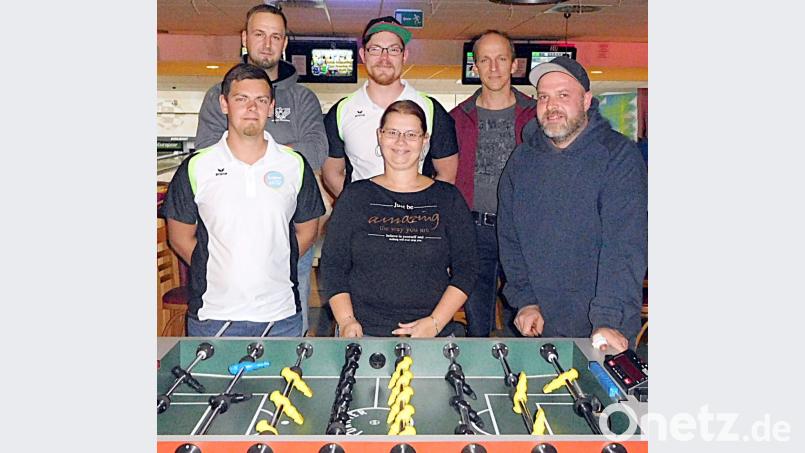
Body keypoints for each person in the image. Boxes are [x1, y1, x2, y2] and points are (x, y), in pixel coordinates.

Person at [497, 56, 647, 353]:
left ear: (587, 100)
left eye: (563, 95)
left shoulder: (619, 157)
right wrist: (525, 300)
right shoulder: (521, 161)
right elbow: (509, 240)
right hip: (539, 324)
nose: (551, 106)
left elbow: (624, 247)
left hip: (602, 327)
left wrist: (608, 319)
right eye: (543, 97)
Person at [194, 4, 328, 336]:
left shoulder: (303, 98)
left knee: (289, 322)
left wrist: (258, 148)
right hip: (226, 239)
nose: (267, 44)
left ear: (284, 43)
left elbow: (316, 151)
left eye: (275, 36)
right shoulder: (217, 95)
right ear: (245, 38)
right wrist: (282, 151)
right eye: (259, 34)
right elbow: (207, 154)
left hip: (287, 233)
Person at [163, 63, 325, 337]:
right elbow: (179, 236)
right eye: (241, 99)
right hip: (213, 317)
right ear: (224, 104)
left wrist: (273, 259)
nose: (252, 108)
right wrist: (214, 264)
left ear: (271, 107)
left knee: (281, 383)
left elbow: (309, 228)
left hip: (282, 317)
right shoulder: (196, 167)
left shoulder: (294, 165)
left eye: (261, 100)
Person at [320, 100, 478, 338]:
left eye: (411, 134)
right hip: (362, 332)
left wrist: (435, 323)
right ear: (379, 136)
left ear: (425, 140)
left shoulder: (448, 198)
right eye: (392, 132)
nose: (401, 142)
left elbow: (467, 268)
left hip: (433, 334)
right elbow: (333, 266)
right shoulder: (355, 196)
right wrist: (346, 321)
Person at [449, 30, 536, 337]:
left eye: (501, 59)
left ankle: (520, 379)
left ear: (515, 65)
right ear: (475, 66)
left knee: (523, 317)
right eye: (485, 60)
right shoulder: (457, 119)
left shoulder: (536, 116)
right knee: (477, 321)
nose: (494, 67)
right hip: (473, 229)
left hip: (524, 229)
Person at [321, 16, 458, 198]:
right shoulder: (341, 111)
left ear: (404, 55)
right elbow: (331, 172)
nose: (384, 58)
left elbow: (447, 173)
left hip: (414, 219)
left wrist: (420, 208)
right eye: (375, 49)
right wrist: (358, 206)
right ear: (363, 55)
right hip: (362, 221)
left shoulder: (431, 109)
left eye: (393, 50)